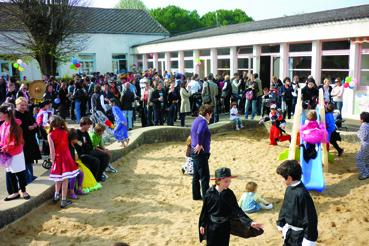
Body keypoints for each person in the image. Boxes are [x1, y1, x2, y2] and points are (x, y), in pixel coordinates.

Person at [199, 167, 264, 246]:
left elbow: (237, 210)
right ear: (218, 181)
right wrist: (202, 224)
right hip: (212, 226)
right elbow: (205, 210)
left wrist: (250, 222)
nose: (229, 183)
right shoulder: (209, 193)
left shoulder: (229, 194)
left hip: (225, 226)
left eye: (230, 181)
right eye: (226, 181)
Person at [276, 160, 318, 245]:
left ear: (289, 178)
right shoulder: (289, 188)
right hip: (289, 232)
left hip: (299, 236)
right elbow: (285, 207)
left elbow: (310, 218)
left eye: (281, 178)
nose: (280, 180)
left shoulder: (302, 194)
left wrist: (309, 239)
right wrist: (281, 223)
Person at [48, 115, 79, 208]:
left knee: (58, 178)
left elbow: (52, 151)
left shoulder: (50, 135)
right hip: (67, 158)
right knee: (65, 179)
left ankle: (56, 195)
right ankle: (63, 200)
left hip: (58, 158)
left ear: (51, 124)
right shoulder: (65, 132)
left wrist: (52, 161)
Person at [0, 104, 30, 201]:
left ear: (6, 114)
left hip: (16, 153)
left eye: (0, 113)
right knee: (10, 173)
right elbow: (2, 139)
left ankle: (23, 190)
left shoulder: (15, 126)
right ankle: (15, 192)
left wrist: (4, 147)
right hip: (6, 153)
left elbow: (16, 141)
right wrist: (1, 146)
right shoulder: (3, 125)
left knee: (20, 173)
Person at [14, 97, 41, 184]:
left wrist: (35, 125)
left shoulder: (27, 113)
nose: (23, 107)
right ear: (17, 105)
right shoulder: (15, 114)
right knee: (23, 162)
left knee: (29, 161)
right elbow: (15, 128)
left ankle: (30, 177)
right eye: (21, 105)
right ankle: (25, 179)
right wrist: (27, 128)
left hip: (30, 140)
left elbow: (34, 121)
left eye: (25, 105)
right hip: (21, 141)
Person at [75, 117, 109, 182]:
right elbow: (78, 144)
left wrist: (84, 144)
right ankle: (94, 179)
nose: (89, 126)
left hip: (89, 151)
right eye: (89, 125)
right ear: (84, 124)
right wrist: (84, 144)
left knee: (105, 156)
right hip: (82, 154)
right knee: (96, 161)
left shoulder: (86, 133)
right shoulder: (77, 132)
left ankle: (99, 176)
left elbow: (90, 145)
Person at [69, 129, 102, 193]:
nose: (77, 139)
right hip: (74, 162)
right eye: (76, 138)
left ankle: (80, 188)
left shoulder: (75, 143)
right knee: (83, 171)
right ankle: (78, 189)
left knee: (86, 170)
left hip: (78, 161)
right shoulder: (70, 145)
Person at [191, 105, 212, 200]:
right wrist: (199, 144)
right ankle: (206, 197)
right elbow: (199, 132)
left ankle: (196, 196)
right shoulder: (203, 122)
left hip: (194, 151)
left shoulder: (196, 119)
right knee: (204, 176)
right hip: (200, 153)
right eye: (210, 115)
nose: (211, 117)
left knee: (196, 175)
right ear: (207, 114)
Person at [356, 112, 369, 180]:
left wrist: (358, 133)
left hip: (366, 145)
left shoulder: (364, 125)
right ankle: (367, 171)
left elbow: (363, 136)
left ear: (362, 119)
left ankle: (365, 174)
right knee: (367, 159)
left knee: (359, 159)